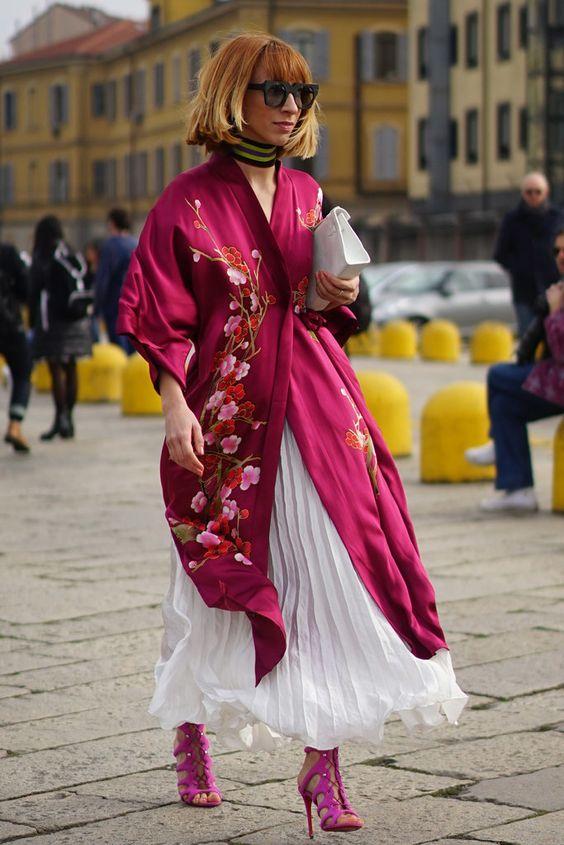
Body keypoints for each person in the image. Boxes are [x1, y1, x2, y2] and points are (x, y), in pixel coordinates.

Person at [118, 34, 467, 838]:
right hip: (227, 418)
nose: (288, 108)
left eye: (301, 94)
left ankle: (324, 760)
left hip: (315, 406)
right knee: (208, 586)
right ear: (232, 95)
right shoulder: (185, 201)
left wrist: (330, 293)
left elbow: (316, 307)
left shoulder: (308, 193)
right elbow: (161, 314)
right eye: (273, 91)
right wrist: (174, 405)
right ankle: (190, 732)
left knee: (330, 574)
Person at [466, 229, 564, 512]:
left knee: (499, 375)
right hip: (556, 380)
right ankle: (519, 490)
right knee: (506, 406)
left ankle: (498, 443)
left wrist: (554, 311)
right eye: (557, 251)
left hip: (559, 379)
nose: (560, 256)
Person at [29, 216, 92, 440]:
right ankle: (69, 420)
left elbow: (33, 288)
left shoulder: (43, 255)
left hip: (53, 320)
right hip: (78, 319)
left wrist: (33, 322)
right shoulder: (71, 252)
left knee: (56, 368)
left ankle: (60, 418)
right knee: (71, 366)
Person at [493, 171, 563, 338]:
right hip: (524, 293)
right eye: (529, 192)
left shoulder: (558, 218)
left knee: (555, 336)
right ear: (522, 193)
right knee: (528, 338)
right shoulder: (511, 220)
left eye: (537, 191)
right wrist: (519, 267)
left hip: (554, 288)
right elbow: (500, 254)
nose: (533, 196)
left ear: (546, 192)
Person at [0, 242, 32, 452]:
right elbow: (26, 288)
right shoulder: (8, 253)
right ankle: (14, 426)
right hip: (10, 324)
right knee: (22, 373)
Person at [94, 208, 136, 353]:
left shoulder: (110, 245)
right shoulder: (136, 243)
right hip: (137, 303)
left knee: (119, 349)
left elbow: (102, 279)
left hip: (115, 303)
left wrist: (96, 308)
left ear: (111, 223)